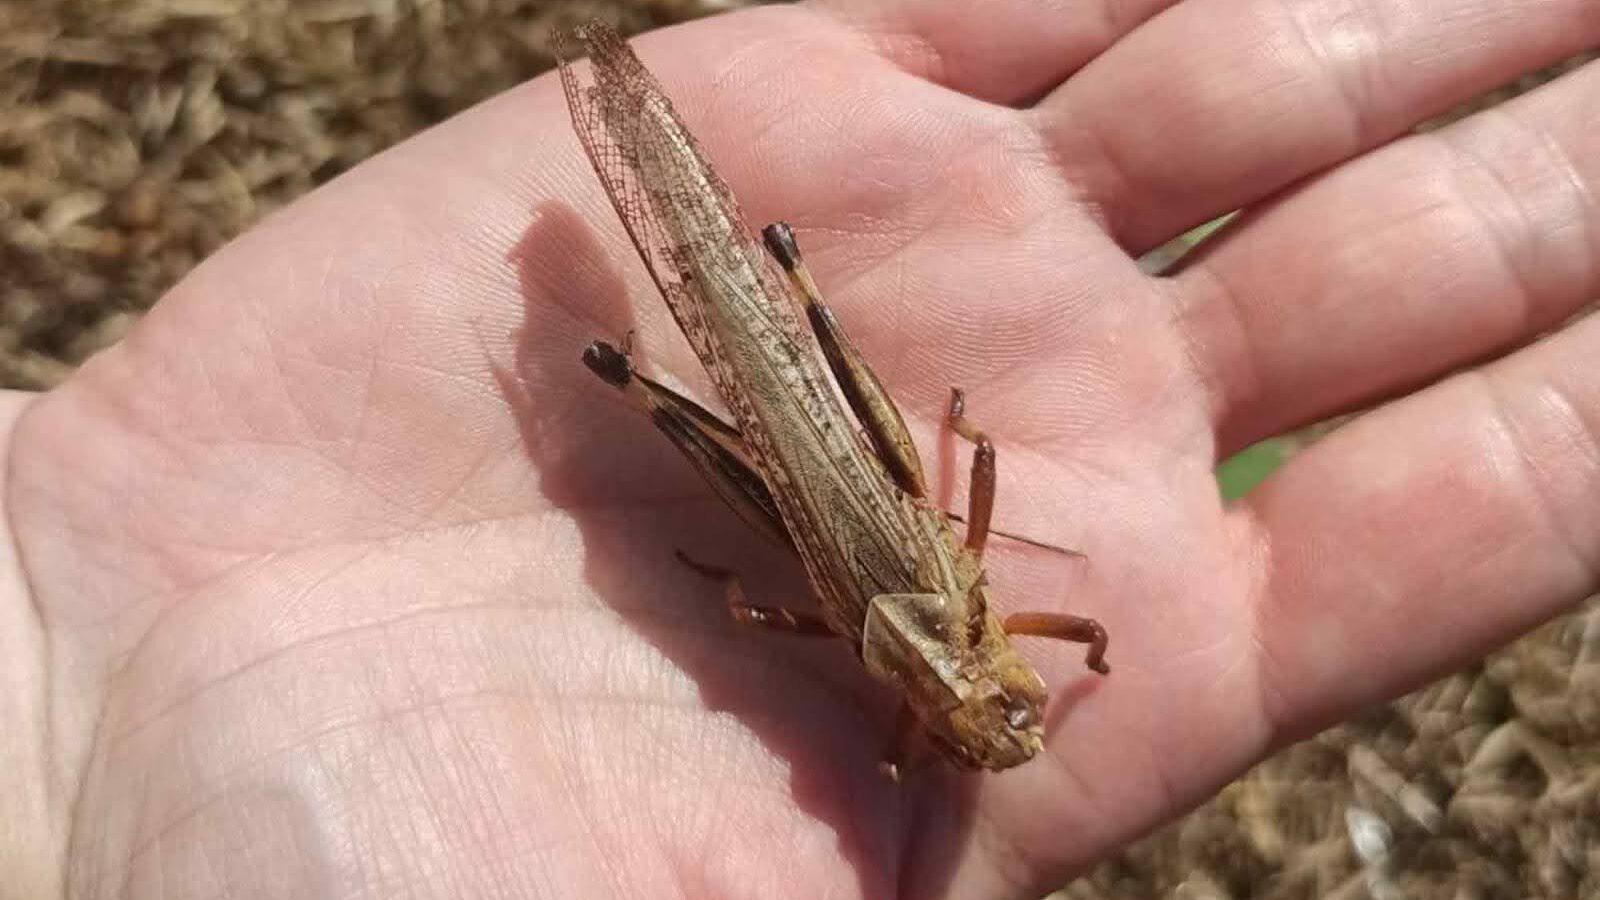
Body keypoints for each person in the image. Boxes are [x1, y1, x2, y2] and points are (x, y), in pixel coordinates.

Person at [2, 1, 1595, 897]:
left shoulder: (906, 694)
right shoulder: (910, 682)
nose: (1008, 702)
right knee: (804, 360)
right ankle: (666, 240)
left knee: (751, 417)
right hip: (865, 506)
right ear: (972, 673)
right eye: (1014, 704)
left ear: (957, 701)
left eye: (997, 716)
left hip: (831, 519)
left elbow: (846, 593)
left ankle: (644, 318)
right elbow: (930, 527)